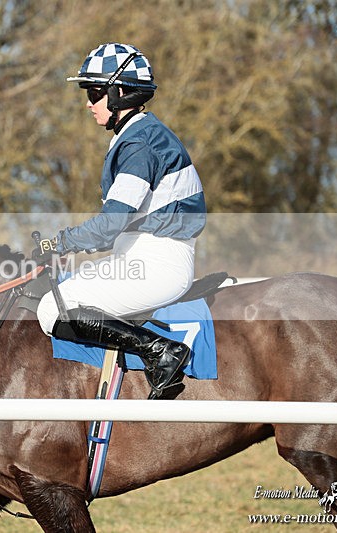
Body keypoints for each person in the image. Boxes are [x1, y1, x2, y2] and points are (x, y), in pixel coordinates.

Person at [35, 43, 207, 399]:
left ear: (120, 93)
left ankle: (161, 351)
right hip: (139, 257)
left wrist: (58, 243)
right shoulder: (135, 136)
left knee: (53, 309)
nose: (88, 102)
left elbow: (110, 225)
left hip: (157, 264)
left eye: (95, 92)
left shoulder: (140, 144)